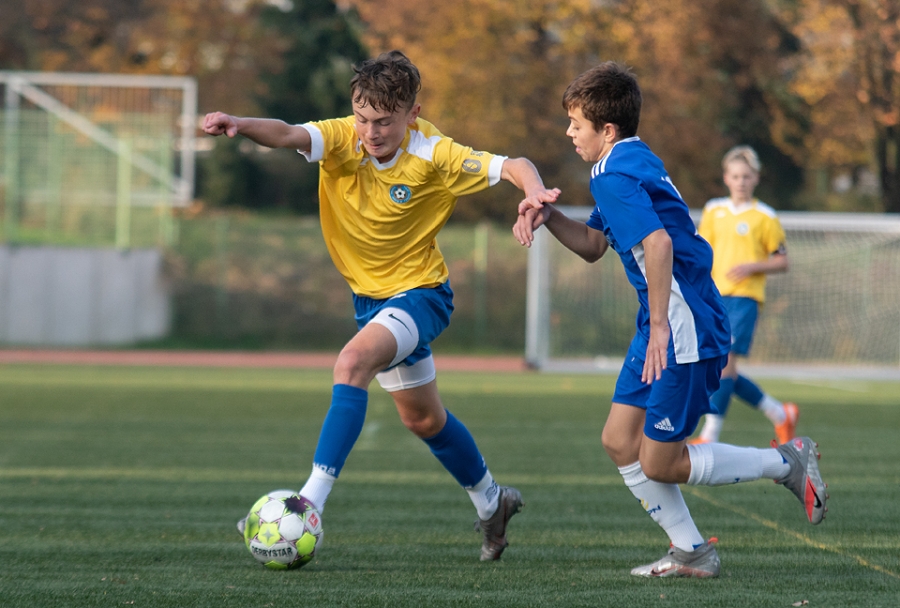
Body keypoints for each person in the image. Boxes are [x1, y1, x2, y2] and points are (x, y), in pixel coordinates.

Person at [204, 50, 560, 561]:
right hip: (371, 301)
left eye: (384, 122)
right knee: (424, 421)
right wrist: (239, 123)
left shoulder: (434, 153)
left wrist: (533, 194)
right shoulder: (343, 137)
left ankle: (308, 503)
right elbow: (285, 133)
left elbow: (516, 166)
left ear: (412, 112)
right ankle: (492, 502)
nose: (371, 133)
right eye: (363, 119)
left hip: (421, 295)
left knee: (351, 363)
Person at [513, 61, 828, 577]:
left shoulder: (614, 173)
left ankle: (787, 462)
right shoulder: (632, 160)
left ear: (606, 129)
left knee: (661, 460)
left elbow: (657, 245)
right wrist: (547, 216)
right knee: (619, 440)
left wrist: (660, 326)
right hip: (665, 320)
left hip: (682, 326)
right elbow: (594, 245)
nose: (569, 132)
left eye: (576, 123)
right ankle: (693, 552)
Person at [690, 146, 798, 445]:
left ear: (756, 178)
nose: (741, 181)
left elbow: (782, 260)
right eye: (735, 176)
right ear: (726, 178)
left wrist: (753, 266)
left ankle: (710, 435)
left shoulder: (765, 216)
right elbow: (702, 251)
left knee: (725, 364)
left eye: (746, 176)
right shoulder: (714, 210)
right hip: (713, 298)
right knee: (723, 369)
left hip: (744, 299)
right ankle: (780, 414)